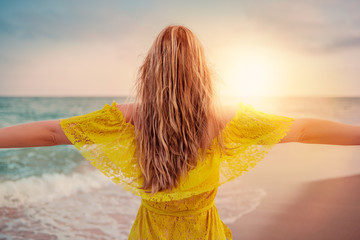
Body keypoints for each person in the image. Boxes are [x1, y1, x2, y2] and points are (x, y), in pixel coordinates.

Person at [0, 25, 359, 239]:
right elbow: (304, 130)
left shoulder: (130, 118)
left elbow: (51, 133)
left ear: (149, 70)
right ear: (203, 70)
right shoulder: (225, 120)